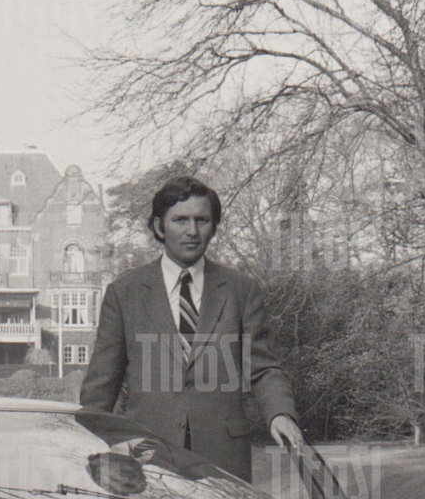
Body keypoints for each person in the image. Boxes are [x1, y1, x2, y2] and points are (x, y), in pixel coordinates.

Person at [79, 176, 303, 481]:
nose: (192, 231)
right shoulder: (125, 292)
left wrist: (280, 414)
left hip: (224, 458)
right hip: (148, 457)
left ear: (213, 228)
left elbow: (264, 369)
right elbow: (102, 383)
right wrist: (89, 444)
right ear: (159, 227)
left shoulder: (240, 290)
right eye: (180, 220)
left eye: (202, 220)